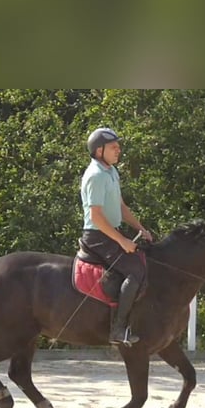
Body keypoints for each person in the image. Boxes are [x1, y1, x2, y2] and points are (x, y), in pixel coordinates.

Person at [80, 127, 153, 345]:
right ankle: (118, 330)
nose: (118, 151)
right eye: (114, 147)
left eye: (118, 147)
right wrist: (122, 240)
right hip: (98, 236)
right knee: (135, 270)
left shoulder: (111, 171)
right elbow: (97, 216)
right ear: (99, 150)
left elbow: (121, 207)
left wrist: (141, 228)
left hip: (110, 233)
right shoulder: (95, 176)